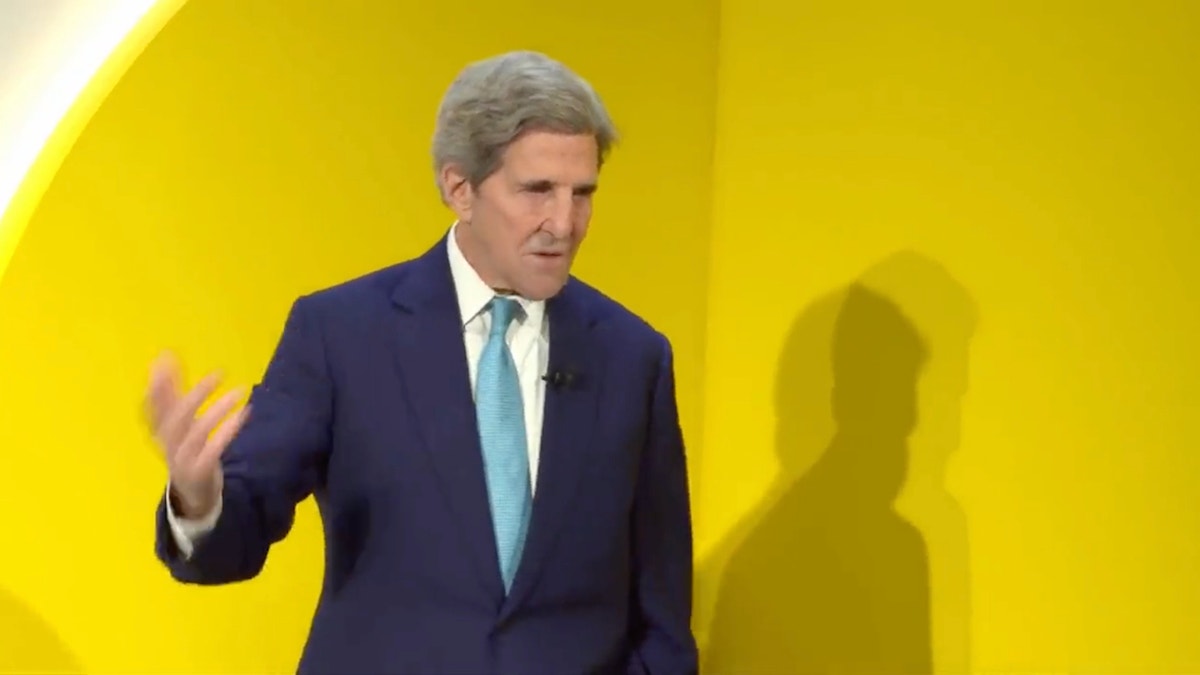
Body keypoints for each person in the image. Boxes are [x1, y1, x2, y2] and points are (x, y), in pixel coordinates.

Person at [145, 50, 697, 674]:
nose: (564, 223)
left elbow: (662, 602)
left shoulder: (633, 356)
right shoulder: (340, 334)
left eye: (583, 194)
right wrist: (198, 502)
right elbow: (234, 540)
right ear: (460, 188)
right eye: (538, 190)